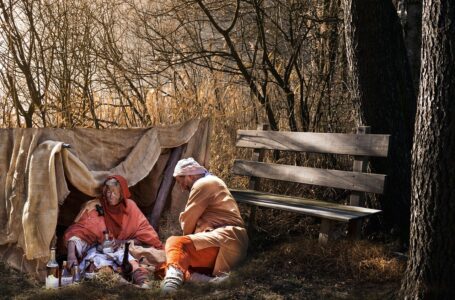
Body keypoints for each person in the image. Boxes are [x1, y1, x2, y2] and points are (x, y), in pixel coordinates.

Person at [161, 158, 248, 294]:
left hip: (228, 239)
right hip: (226, 243)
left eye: (181, 181)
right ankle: (211, 282)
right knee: (168, 264)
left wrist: (183, 245)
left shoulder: (203, 183)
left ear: (190, 175)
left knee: (175, 243)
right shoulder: (210, 182)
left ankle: (169, 289)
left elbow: (188, 222)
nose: (182, 188)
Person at [63, 175, 163, 286]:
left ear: (122, 194)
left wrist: (121, 242)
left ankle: (143, 282)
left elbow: (144, 236)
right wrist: (71, 255)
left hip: (122, 249)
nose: (111, 195)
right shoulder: (94, 207)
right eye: (108, 192)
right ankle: (124, 284)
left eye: (115, 192)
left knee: (128, 260)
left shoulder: (130, 208)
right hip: (96, 250)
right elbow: (77, 233)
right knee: (94, 265)